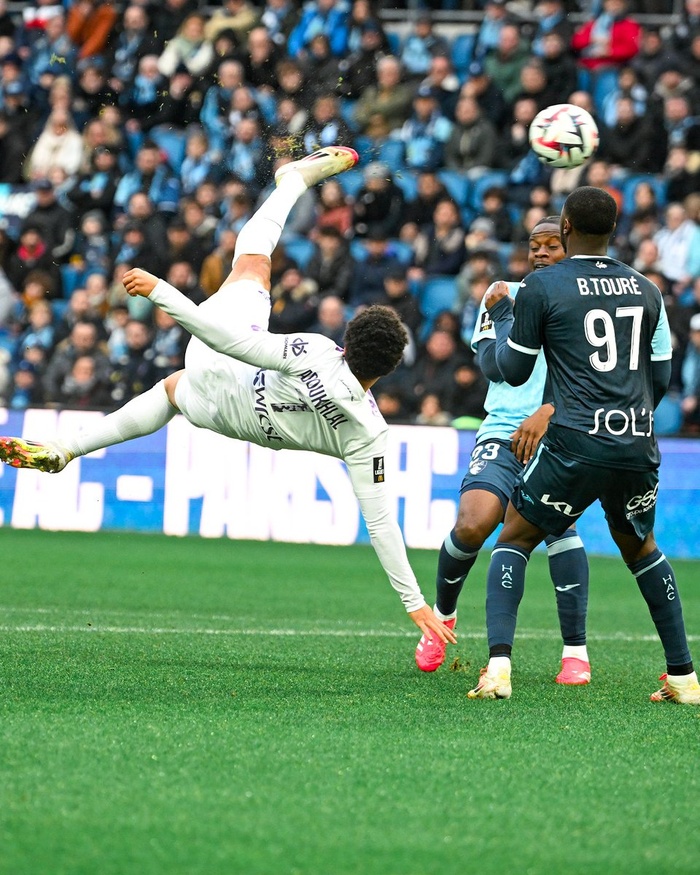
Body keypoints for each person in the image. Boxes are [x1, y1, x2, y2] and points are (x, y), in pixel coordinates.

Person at [0, 146, 456, 650]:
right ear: (389, 370)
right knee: (172, 392)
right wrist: (414, 603)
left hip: (223, 368)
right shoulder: (370, 434)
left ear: (348, 340)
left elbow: (230, 342)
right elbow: (382, 524)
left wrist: (162, 292)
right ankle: (66, 451)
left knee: (253, 266)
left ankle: (292, 182)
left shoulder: (318, 353)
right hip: (223, 415)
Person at [466, 187, 699, 705]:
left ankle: (499, 670)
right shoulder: (647, 289)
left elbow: (512, 370)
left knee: (515, 539)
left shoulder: (543, 286)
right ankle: (683, 677)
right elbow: (659, 378)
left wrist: (504, 317)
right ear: (613, 230)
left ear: (565, 227)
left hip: (574, 442)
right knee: (641, 548)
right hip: (637, 444)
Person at [415, 218, 591, 684]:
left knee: (560, 529)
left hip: (561, 434)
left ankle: (576, 651)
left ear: (572, 247)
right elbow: (493, 365)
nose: (541, 253)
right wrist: (509, 317)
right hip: (504, 428)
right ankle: (443, 616)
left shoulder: (588, 302)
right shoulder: (500, 292)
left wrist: (551, 411)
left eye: (553, 245)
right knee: (473, 525)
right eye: (535, 245)